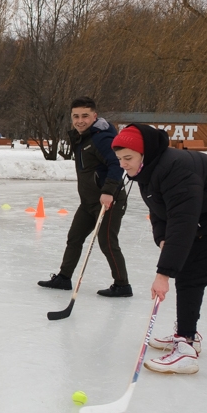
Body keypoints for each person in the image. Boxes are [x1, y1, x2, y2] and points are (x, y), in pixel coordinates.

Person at [112, 123, 207, 374]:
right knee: (189, 271)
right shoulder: (146, 171)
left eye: (128, 158)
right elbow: (159, 210)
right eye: (119, 159)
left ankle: (186, 347)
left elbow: (183, 222)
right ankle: (188, 334)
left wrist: (164, 273)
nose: (123, 165)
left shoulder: (175, 168)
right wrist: (162, 239)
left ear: (144, 153)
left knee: (191, 273)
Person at [38, 97, 132, 297]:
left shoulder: (101, 138)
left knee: (107, 242)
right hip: (89, 202)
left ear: (94, 116)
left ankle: (122, 284)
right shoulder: (84, 137)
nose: (80, 120)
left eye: (85, 116)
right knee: (74, 237)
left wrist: (108, 192)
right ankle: (64, 277)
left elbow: (116, 164)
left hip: (108, 200)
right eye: (76, 116)